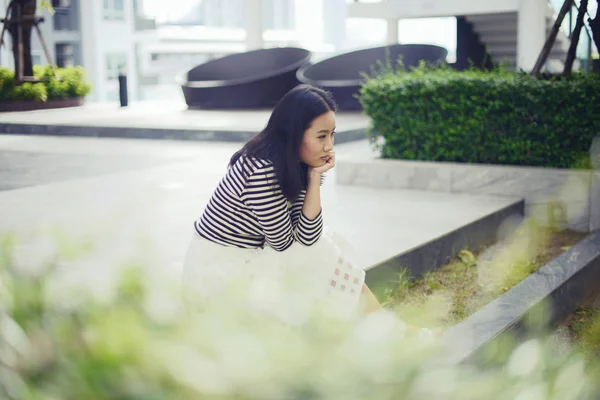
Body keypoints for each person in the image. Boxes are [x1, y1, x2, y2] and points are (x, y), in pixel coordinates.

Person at [181, 84, 384, 322]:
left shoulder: (293, 162)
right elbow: (285, 245)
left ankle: (380, 325)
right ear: (294, 133)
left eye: (332, 135)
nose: (329, 146)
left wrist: (314, 178)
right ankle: (384, 326)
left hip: (246, 258)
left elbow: (307, 236)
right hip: (218, 273)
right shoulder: (263, 172)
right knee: (319, 255)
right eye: (321, 136)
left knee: (318, 250)